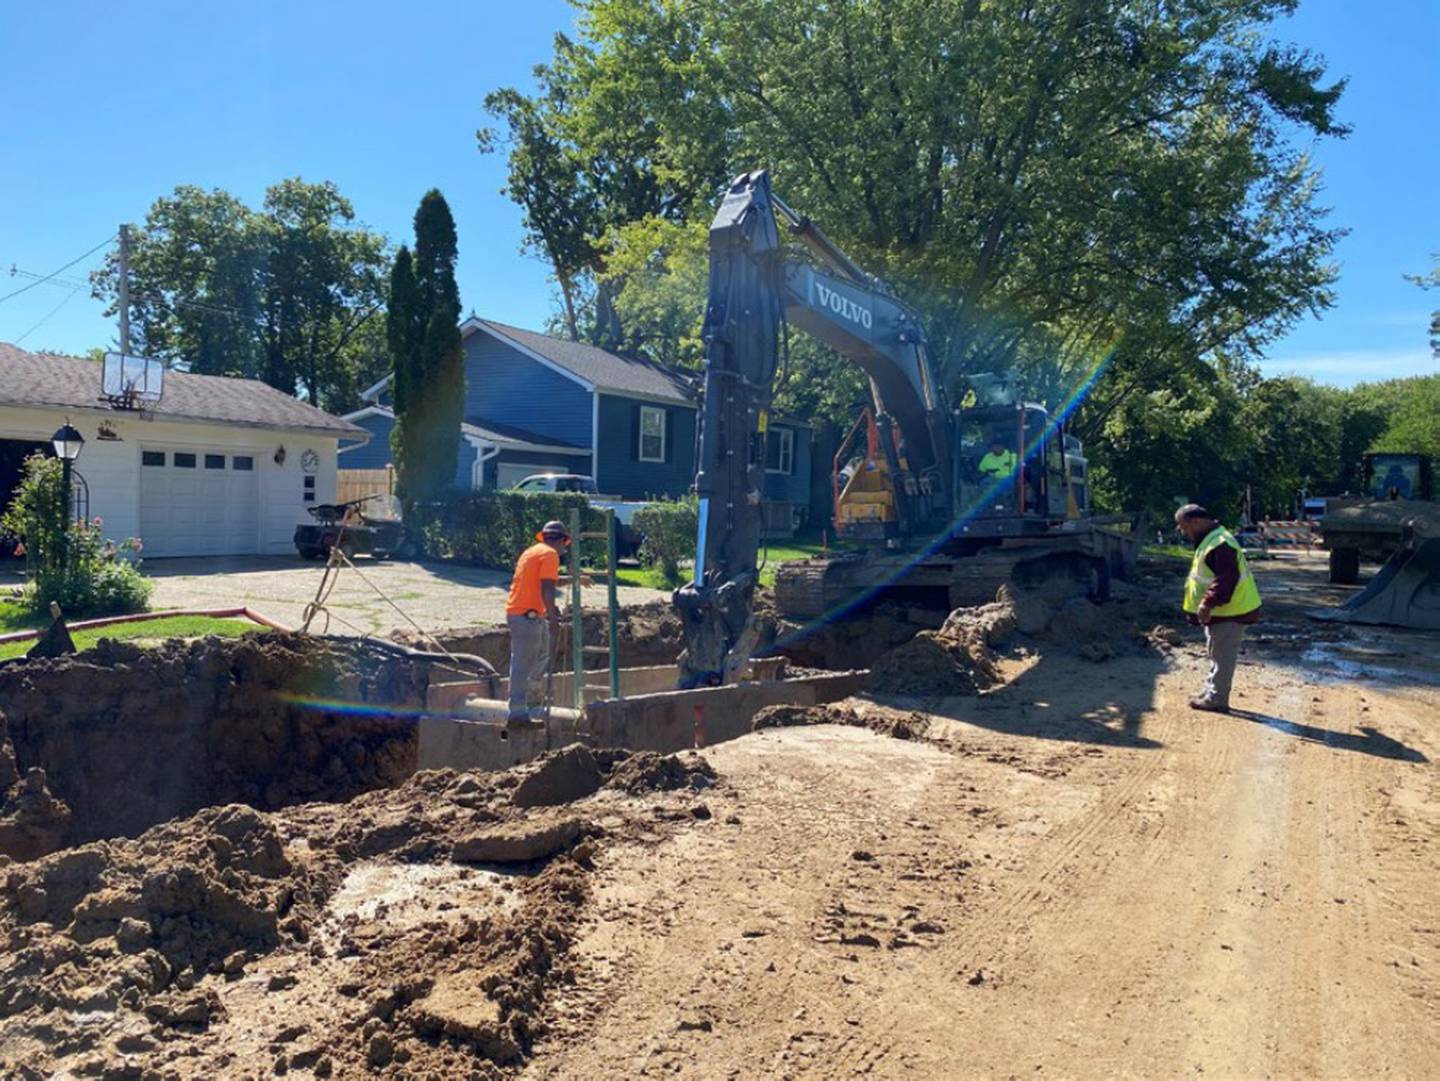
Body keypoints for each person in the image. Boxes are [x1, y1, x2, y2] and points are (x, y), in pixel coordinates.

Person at [1175, 504, 1262, 713]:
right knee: (1217, 653)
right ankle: (1212, 692)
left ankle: (1217, 699)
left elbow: (1226, 579)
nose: (1182, 532)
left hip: (1230, 611)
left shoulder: (1219, 543)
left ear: (1196, 522)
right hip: (1223, 611)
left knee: (1222, 656)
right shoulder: (1211, 540)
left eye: (1184, 527)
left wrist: (1207, 603)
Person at [506, 519, 570, 723]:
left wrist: (576, 578)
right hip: (527, 616)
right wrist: (553, 618)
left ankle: (531, 703)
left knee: (539, 657)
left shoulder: (533, 551)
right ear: (561, 541)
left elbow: (548, 581)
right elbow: (547, 589)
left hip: (526, 615)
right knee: (522, 663)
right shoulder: (550, 555)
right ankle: (517, 713)